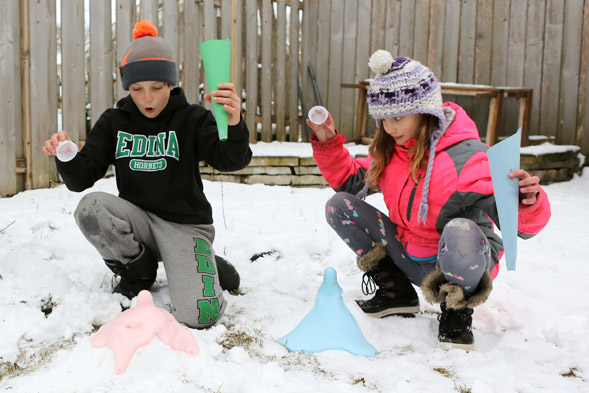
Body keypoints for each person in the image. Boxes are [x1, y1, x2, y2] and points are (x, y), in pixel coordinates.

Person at [308, 51, 551, 350]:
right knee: (339, 205)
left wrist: (528, 200)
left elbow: (521, 227)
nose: (391, 128)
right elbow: (350, 181)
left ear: (425, 111)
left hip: (460, 264)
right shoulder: (391, 153)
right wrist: (327, 139)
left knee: (460, 227)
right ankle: (396, 292)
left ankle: (457, 312)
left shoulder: (469, 156)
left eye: (398, 117)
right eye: (384, 119)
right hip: (410, 256)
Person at [42, 20, 252, 329]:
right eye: (138, 89)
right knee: (90, 207)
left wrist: (233, 125)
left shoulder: (192, 118)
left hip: (185, 227)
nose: (148, 98)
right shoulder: (115, 121)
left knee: (200, 315)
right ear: (127, 86)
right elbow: (80, 180)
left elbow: (231, 160)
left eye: (156, 88)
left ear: (170, 84)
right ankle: (138, 271)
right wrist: (67, 155)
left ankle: (204, 261)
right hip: (138, 221)